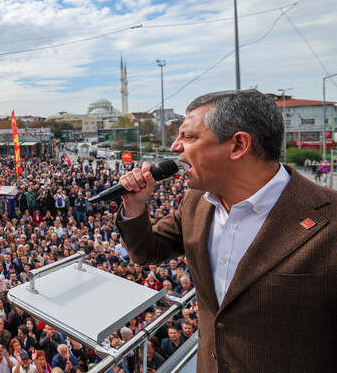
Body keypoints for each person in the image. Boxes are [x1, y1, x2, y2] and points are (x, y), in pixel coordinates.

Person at [117, 89, 337, 372]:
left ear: (238, 145)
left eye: (189, 136)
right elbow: (147, 251)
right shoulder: (196, 203)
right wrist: (134, 206)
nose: (175, 147)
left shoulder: (328, 219)